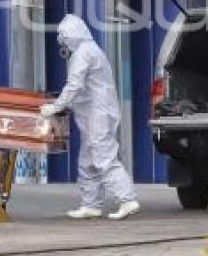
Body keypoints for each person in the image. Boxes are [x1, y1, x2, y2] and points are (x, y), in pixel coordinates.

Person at [40, 14, 140, 220]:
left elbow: (75, 85)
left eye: (64, 37)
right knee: (88, 160)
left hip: (98, 114)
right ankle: (91, 204)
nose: (62, 42)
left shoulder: (84, 53)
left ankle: (127, 199)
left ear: (73, 35)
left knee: (104, 157)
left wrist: (56, 106)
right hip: (94, 114)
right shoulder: (88, 50)